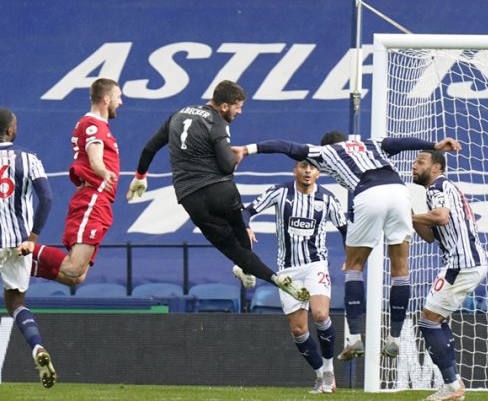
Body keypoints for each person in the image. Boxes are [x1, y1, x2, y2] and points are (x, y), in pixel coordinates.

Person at [245, 131, 461, 360]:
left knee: (355, 267)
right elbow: (400, 142)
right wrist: (434, 144)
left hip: (369, 194)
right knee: (401, 268)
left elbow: (286, 145)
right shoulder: (370, 143)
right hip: (399, 192)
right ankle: (395, 339)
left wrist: (248, 149)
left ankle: (355, 339)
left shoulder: (328, 153)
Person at [126, 80, 308, 301]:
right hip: (220, 191)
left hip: (190, 197)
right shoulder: (217, 122)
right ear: (224, 106)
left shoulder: (178, 114)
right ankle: (252, 270)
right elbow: (226, 165)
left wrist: (140, 176)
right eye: (237, 107)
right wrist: (234, 156)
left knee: (231, 247)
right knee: (240, 232)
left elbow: (150, 147)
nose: (240, 111)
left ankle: (272, 277)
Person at [233, 159, 347, 393]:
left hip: (316, 264)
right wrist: (246, 226)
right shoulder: (280, 192)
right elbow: (247, 211)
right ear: (294, 170)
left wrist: (351, 258)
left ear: (318, 172)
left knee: (321, 313)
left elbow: (345, 228)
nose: (307, 171)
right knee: (298, 330)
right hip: (288, 270)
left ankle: (328, 371)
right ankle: (318, 376)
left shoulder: (327, 199)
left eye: (312, 167)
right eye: (303, 166)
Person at [18, 78, 122, 287]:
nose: (121, 102)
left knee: (76, 277)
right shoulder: (93, 125)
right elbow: (95, 159)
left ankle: (15, 262)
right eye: (119, 97)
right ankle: (14, 248)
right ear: (107, 99)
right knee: (73, 268)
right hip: (93, 199)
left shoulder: (95, 125)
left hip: (98, 201)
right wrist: (104, 172)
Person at [410, 150, 487, 401]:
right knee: (436, 320)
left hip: (461, 264)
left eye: (420, 162)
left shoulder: (437, 187)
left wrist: (408, 215)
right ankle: (454, 385)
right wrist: (411, 218)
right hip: (466, 262)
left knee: (428, 321)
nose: (414, 165)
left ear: (436, 168)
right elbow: (432, 236)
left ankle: (452, 386)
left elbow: (441, 218)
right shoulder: (444, 188)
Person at [0, 108, 57, 387]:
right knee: (16, 303)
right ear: (10, 130)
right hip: (17, 243)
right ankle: (36, 347)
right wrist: (33, 237)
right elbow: (46, 198)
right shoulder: (29, 158)